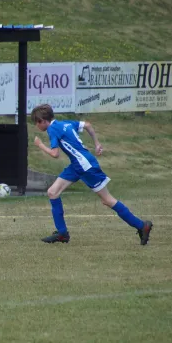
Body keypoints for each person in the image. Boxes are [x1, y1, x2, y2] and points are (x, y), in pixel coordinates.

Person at [30, 104, 153, 245]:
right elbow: (87, 125)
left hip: (85, 166)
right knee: (52, 192)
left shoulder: (52, 129)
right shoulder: (65, 123)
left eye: (36, 122)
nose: (36, 125)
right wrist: (97, 143)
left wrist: (40, 145)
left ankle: (142, 226)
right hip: (77, 165)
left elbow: (55, 154)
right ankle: (62, 233)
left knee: (107, 200)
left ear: (42, 121)